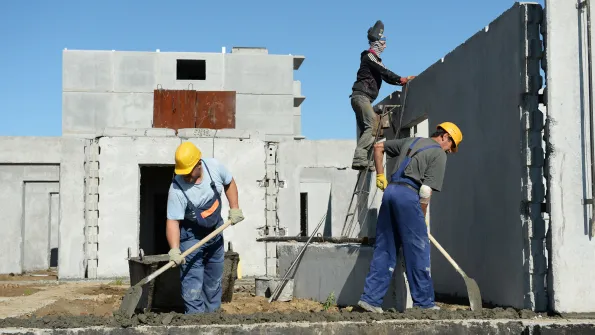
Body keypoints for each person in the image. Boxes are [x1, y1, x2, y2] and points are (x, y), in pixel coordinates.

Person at [357, 122, 463, 312]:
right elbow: (425, 190)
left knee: (385, 248)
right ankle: (424, 304)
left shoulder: (412, 141)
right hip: (408, 196)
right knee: (418, 250)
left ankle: (370, 300)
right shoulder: (438, 153)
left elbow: (378, 147)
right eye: (451, 146)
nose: (449, 151)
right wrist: (420, 218)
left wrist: (381, 176)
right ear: (445, 137)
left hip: (390, 192)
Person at [165, 141, 245, 314]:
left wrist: (235, 207)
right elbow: (173, 221)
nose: (184, 176)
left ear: (198, 164)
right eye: (182, 172)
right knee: (192, 282)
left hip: (215, 231)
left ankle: (212, 319)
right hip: (191, 236)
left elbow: (229, 182)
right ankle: (195, 323)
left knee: (214, 280)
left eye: (188, 172)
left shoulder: (214, 168)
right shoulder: (177, 189)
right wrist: (174, 249)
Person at [350, 19, 415, 171]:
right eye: (383, 43)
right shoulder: (369, 56)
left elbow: (385, 76)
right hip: (361, 97)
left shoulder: (375, 59)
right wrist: (402, 79)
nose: (385, 46)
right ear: (377, 43)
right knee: (373, 124)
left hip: (361, 98)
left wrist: (400, 82)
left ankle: (366, 161)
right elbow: (385, 72)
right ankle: (359, 158)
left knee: (366, 128)